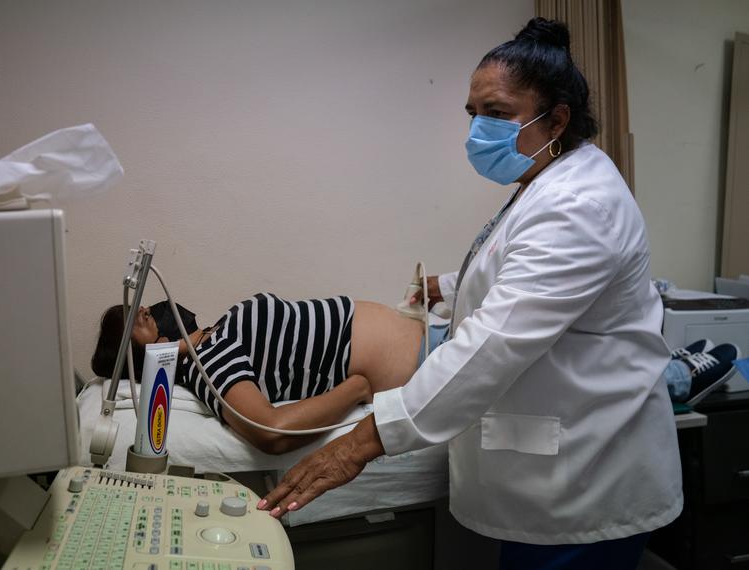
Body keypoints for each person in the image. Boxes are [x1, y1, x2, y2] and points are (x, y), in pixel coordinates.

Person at [258, 18, 684, 569]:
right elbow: (520, 270)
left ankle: (688, 370)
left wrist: (362, 442)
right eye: (473, 113)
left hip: (584, 482)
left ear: (556, 118)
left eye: (498, 113)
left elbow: (495, 341)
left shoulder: (578, 204)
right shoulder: (545, 186)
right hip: (553, 470)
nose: (478, 129)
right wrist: (448, 285)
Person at [91, 294, 445, 454]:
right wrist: (356, 389)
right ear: (147, 355)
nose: (146, 310)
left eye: (141, 308)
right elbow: (270, 432)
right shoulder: (205, 362)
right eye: (138, 321)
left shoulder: (212, 339)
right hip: (425, 363)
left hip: (433, 335)